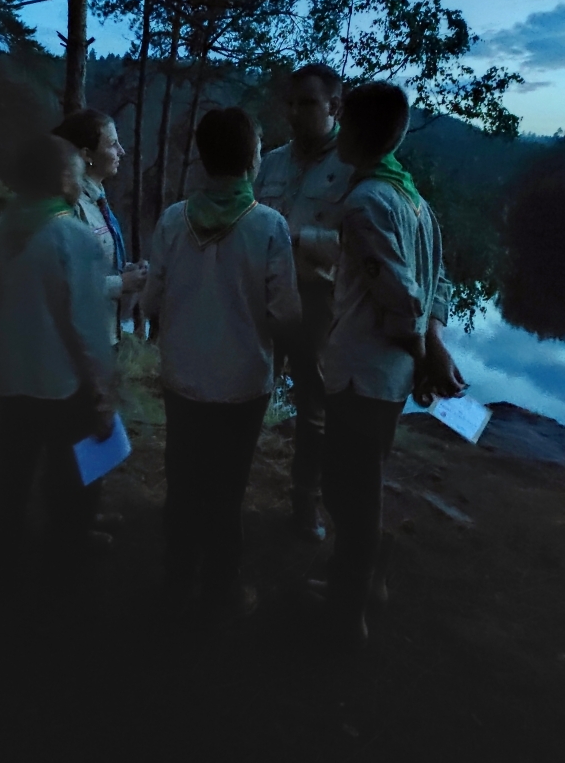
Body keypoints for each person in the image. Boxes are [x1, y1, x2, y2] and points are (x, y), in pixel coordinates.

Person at [311, 81, 465, 646]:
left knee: (351, 491)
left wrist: (424, 355)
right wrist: (432, 346)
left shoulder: (366, 202)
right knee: (358, 480)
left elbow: (401, 294)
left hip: (365, 370)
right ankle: (357, 583)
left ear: (354, 130)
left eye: (342, 120)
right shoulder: (412, 198)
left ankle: (348, 613)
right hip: (387, 374)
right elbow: (437, 281)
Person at [143, 107, 301, 618]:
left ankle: (176, 578)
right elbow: (285, 313)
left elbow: (151, 299)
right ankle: (221, 586)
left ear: (203, 157)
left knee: (183, 480)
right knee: (228, 488)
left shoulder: (173, 219)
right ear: (253, 158)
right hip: (243, 383)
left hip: (183, 376)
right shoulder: (270, 226)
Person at [0, 134, 116, 593]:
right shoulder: (72, 235)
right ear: (64, 177)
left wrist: (1, 350)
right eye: (76, 172)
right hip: (66, 384)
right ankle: (64, 565)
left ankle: (4, 563)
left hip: (13, 380)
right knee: (74, 478)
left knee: (12, 473)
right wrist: (102, 390)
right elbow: (86, 325)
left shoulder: (0, 231)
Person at [254, 64, 352, 542]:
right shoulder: (271, 162)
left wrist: (300, 239)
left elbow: (362, 244)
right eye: (290, 103)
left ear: (334, 106)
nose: (294, 112)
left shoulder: (355, 168)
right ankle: (227, 488)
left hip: (319, 302)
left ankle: (304, 503)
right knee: (250, 390)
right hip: (266, 295)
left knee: (315, 412)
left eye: (307, 103)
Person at [52, 108, 147, 345]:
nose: (121, 151)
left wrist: (127, 270)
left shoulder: (97, 200)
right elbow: (63, 282)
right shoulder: (69, 206)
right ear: (87, 154)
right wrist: (122, 283)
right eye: (113, 144)